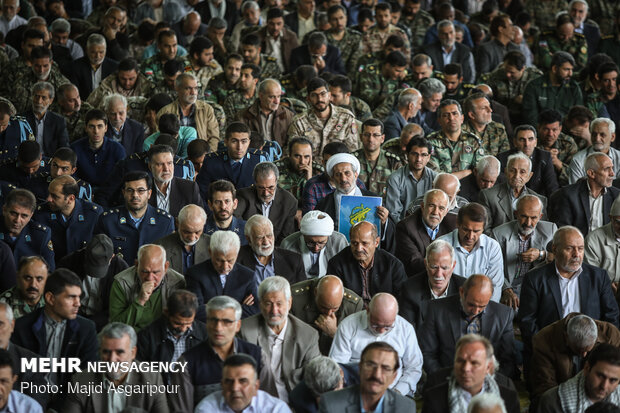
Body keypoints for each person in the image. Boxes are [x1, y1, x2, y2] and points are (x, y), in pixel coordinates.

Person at [518, 226, 620, 353]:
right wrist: (547, 350)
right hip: (550, 351)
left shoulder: (599, 277)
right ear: (555, 249)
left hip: (593, 350)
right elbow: (527, 322)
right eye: (569, 248)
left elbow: (612, 317)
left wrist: (598, 349)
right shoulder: (535, 279)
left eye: (580, 249)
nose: (576, 254)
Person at [169, 295, 264, 412]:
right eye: (213, 320)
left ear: (238, 325)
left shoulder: (257, 355)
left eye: (227, 322)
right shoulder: (187, 363)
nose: (218, 328)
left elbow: (269, 403)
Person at [12, 269, 97, 392]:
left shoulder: (86, 329)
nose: (78, 303)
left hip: (71, 399)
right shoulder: (22, 328)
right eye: (71, 297)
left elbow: (87, 378)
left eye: (79, 297)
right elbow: (17, 377)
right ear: (50, 298)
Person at [238, 276, 321, 402]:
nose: (274, 311)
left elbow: (316, 377)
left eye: (279, 303)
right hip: (256, 402)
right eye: (268, 304)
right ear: (260, 304)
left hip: (293, 403)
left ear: (289, 303)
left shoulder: (308, 335)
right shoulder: (245, 331)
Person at [420, 274, 516, 378]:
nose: (475, 311)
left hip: (488, 381)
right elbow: (427, 354)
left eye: (482, 306)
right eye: (471, 304)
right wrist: (444, 380)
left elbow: (508, 360)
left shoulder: (503, 315)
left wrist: (489, 383)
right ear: (461, 292)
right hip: (447, 378)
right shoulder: (436, 310)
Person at [330, 293, 423, 395]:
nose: (381, 331)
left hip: (396, 390)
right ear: (367, 310)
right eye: (375, 325)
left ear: (395, 316)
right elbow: (338, 366)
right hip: (356, 389)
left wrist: (398, 392)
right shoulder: (348, 326)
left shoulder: (406, 329)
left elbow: (414, 367)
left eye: (388, 327)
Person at [64, 322, 169, 412]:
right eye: (106, 352)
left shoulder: (152, 379)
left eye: (119, 352)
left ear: (133, 353)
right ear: (99, 352)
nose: (112, 359)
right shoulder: (81, 380)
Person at [530, 314, 620, 404]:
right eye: (579, 350)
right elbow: (546, 386)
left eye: (588, 350)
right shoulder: (543, 342)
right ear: (566, 337)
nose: (584, 355)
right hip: (562, 395)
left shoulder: (610, 334)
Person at [421, 334, 520, 413]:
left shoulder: (508, 397)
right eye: (460, 361)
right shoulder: (434, 398)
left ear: (488, 367)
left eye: (474, 363)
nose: (466, 368)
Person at [94, 171, 175, 264]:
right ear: (123, 193)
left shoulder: (165, 222)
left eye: (140, 190)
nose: (135, 195)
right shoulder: (108, 220)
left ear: (149, 193)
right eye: (130, 190)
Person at [491, 195, 557, 307]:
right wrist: (506, 289)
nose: (528, 223)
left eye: (534, 218)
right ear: (516, 214)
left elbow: (561, 259)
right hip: (509, 285)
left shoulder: (550, 230)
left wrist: (541, 255)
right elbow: (492, 267)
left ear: (540, 216)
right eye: (524, 216)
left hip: (539, 286)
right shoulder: (498, 233)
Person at [319, 341, 416, 412]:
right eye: (370, 365)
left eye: (385, 368)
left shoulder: (406, 407)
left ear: (394, 377)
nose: (377, 375)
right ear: (360, 368)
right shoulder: (330, 403)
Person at [328, 221, 406, 307]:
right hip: (349, 314)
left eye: (364, 243)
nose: (359, 248)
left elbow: (403, 299)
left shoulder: (392, 265)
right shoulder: (337, 264)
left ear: (376, 242)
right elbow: (332, 298)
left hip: (383, 314)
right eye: (354, 243)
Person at [109, 244, 185, 331]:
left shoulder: (178, 282)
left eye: (156, 272)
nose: (149, 278)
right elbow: (116, 326)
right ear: (136, 265)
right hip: (132, 337)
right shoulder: (122, 282)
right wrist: (140, 300)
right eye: (145, 271)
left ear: (165, 266)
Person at [186, 230, 258, 321]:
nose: (225, 267)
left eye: (230, 261)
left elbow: (256, 310)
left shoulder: (248, 276)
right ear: (210, 252)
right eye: (219, 260)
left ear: (237, 253)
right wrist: (238, 308)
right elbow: (196, 311)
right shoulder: (195, 274)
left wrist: (211, 308)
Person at [439, 203, 504, 302]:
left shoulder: (492, 248)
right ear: (457, 223)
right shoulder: (441, 246)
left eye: (476, 231)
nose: (470, 236)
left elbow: (495, 287)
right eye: (466, 229)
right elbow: (438, 285)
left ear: (483, 229)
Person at [398, 239, 466, 329]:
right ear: (426, 264)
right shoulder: (410, 289)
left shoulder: (464, 288)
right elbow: (407, 330)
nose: (438, 274)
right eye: (434, 267)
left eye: (444, 268)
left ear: (453, 266)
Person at [34, 175, 102, 263]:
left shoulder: (94, 214)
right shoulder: (40, 214)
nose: (48, 199)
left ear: (71, 198)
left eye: (54, 196)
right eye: (49, 194)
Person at [549, 152, 620, 236]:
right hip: (578, 246)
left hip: (606, 246)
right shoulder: (568, 196)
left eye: (612, 168)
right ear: (591, 173)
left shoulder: (616, 196)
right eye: (606, 169)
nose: (612, 173)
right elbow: (563, 232)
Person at [288, 78, 358, 160]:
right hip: (309, 169)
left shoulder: (346, 118)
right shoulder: (299, 122)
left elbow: (352, 151)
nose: (320, 99)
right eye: (314, 95)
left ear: (329, 95)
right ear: (308, 99)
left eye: (323, 94)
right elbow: (293, 153)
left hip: (337, 169)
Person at [195, 353, 292, 413]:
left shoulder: (276, 409)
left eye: (243, 381)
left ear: (256, 386)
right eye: (229, 381)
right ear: (222, 385)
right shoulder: (206, 408)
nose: (235, 388)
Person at [290, 275, 362, 355]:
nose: (329, 313)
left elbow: (356, 348)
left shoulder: (353, 305)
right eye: (324, 307)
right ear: (315, 292)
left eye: (335, 308)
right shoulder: (295, 298)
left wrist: (335, 333)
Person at [196, 122, 268, 202]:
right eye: (234, 141)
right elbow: (201, 195)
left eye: (244, 141)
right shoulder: (212, 162)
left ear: (249, 142)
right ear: (226, 142)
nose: (239, 147)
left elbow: (267, 193)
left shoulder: (259, 160)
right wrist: (211, 214)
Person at [537, 344, 620, 412]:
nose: (604, 386)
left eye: (612, 380)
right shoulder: (553, 402)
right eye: (600, 376)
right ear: (587, 368)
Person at [137, 289, 207, 369]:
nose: (183, 329)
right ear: (166, 312)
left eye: (188, 323)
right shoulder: (147, 336)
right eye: (177, 323)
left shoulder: (204, 333)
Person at [395, 189, 457, 274]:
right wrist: (443, 269)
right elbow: (414, 263)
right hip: (418, 278)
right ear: (423, 206)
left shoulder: (454, 224)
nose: (435, 212)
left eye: (441, 208)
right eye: (431, 206)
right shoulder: (405, 227)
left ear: (446, 212)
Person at [479, 152, 547, 229]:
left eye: (522, 172)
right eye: (512, 170)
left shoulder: (539, 201)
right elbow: (485, 229)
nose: (517, 176)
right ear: (506, 172)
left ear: (529, 176)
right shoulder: (488, 196)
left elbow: (540, 232)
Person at [235, 162, 298, 245]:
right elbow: (235, 220)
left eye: (271, 188)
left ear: (276, 181)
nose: (266, 193)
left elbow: (285, 238)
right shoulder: (243, 195)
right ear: (255, 183)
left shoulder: (289, 202)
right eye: (261, 188)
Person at [157, 72, 220, 151]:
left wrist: (207, 157)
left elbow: (213, 138)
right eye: (188, 88)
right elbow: (160, 140)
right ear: (177, 88)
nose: (193, 93)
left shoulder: (206, 109)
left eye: (196, 88)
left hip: (201, 156)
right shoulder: (165, 112)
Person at [237, 214, 305, 286]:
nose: (266, 242)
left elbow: (302, 294)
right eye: (260, 238)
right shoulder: (236, 259)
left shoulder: (294, 260)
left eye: (269, 236)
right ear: (249, 239)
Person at [280, 210, 349, 278]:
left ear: (329, 236)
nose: (316, 248)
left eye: (321, 243)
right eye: (311, 242)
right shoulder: (288, 244)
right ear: (303, 235)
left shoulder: (339, 242)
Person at [427, 99, 485, 179]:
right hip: (441, 189)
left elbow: (480, 172)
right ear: (439, 121)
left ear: (462, 118)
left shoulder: (473, 141)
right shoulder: (431, 142)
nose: (451, 118)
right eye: (446, 115)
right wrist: (466, 172)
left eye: (455, 114)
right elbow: (434, 175)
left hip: (468, 188)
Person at [522, 51, 583, 126]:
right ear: (554, 69)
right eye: (566, 69)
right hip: (542, 133)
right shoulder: (534, 87)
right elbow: (531, 119)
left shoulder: (574, 88)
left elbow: (579, 116)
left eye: (571, 70)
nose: (570, 74)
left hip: (567, 133)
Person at [497, 124, 559, 198]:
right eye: (522, 139)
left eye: (530, 139)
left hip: (537, 202)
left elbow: (552, 187)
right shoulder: (503, 158)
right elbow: (500, 186)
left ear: (535, 142)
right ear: (515, 142)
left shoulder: (545, 157)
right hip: (509, 199)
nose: (527, 144)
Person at [0, 188, 55, 270]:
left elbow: (49, 270)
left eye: (24, 216)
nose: (17, 220)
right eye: (13, 213)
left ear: (31, 215)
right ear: (4, 210)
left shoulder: (40, 235)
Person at [71, 108, 126, 188]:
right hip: (81, 194)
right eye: (92, 127)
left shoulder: (117, 149)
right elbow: (72, 179)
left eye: (100, 126)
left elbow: (121, 180)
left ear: (106, 128)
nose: (96, 131)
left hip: (110, 196)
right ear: (86, 128)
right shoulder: (75, 149)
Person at [236, 78, 294, 150]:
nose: (277, 101)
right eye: (272, 97)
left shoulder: (288, 115)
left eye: (278, 96)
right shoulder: (243, 115)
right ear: (261, 95)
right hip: (253, 156)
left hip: (281, 158)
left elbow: (291, 144)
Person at [146, 145, 203, 217]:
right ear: (150, 167)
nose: (166, 169)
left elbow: (200, 218)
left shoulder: (189, 188)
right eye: (160, 164)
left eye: (169, 163)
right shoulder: (143, 188)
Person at [155, 204, 211, 274]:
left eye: (197, 232)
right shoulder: (160, 248)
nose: (192, 238)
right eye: (187, 232)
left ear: (203, 225)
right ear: (177, 223)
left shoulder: (212, 245)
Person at [352, 118, 403, 197]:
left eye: (375, 135)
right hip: (356, 206)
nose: (371, 139)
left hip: (385, 207)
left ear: (382, 138)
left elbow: (400, 192)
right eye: (367, 135)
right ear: (361, 137)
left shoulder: (393, 162)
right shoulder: (352, 160)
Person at [22, 81, 69, 157]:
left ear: (51, 100)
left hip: (50, 162)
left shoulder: (58, 121)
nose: (39, 101)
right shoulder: (21, 119)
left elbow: (64, 147)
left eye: (43, 98)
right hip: (27, 161)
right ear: (31, 97)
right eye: (36, 96)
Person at [568, 118, 620, 184]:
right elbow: (575, 191)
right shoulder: (578, 160)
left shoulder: (619, 158)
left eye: (602, 135)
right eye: (594, 134)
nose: (597, 139)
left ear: (612, 137)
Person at [71, 34, 119, 100]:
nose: (97, 56)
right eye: (93, 52)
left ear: (106, 50)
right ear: (87, 50)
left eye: (101, 52)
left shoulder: (114, 67)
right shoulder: (76, 67)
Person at [585, 196, 620, 286]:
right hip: (601, 291)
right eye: (618, 222)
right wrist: (607, 286)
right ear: (610, 218)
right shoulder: (593, 240)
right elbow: (590, 276)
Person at [204, 179, 248, 243]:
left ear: (235, 204)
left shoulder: (246, 230)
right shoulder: (201, 229)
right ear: (210, 205)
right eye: (218, 202)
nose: (223, 207)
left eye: (227, 201)